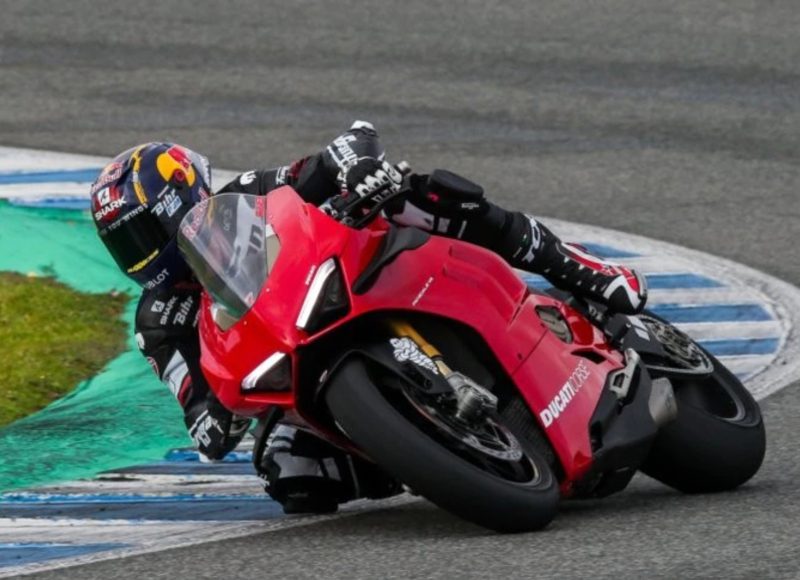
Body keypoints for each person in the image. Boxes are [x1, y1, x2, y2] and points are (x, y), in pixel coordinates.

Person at [89, 121, 647, 514]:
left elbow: (347, 143)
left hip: (355, 283)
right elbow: (198, 415)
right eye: (125, 245)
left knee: (421, 196)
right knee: (292, 477)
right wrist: (220, 416)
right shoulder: (158, 322)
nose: (142, 256)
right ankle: (426, 455)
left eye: (146, 234)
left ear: (183, 198)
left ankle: (574, 266)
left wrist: (357, 173)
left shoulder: (251, 194)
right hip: (293, 370)